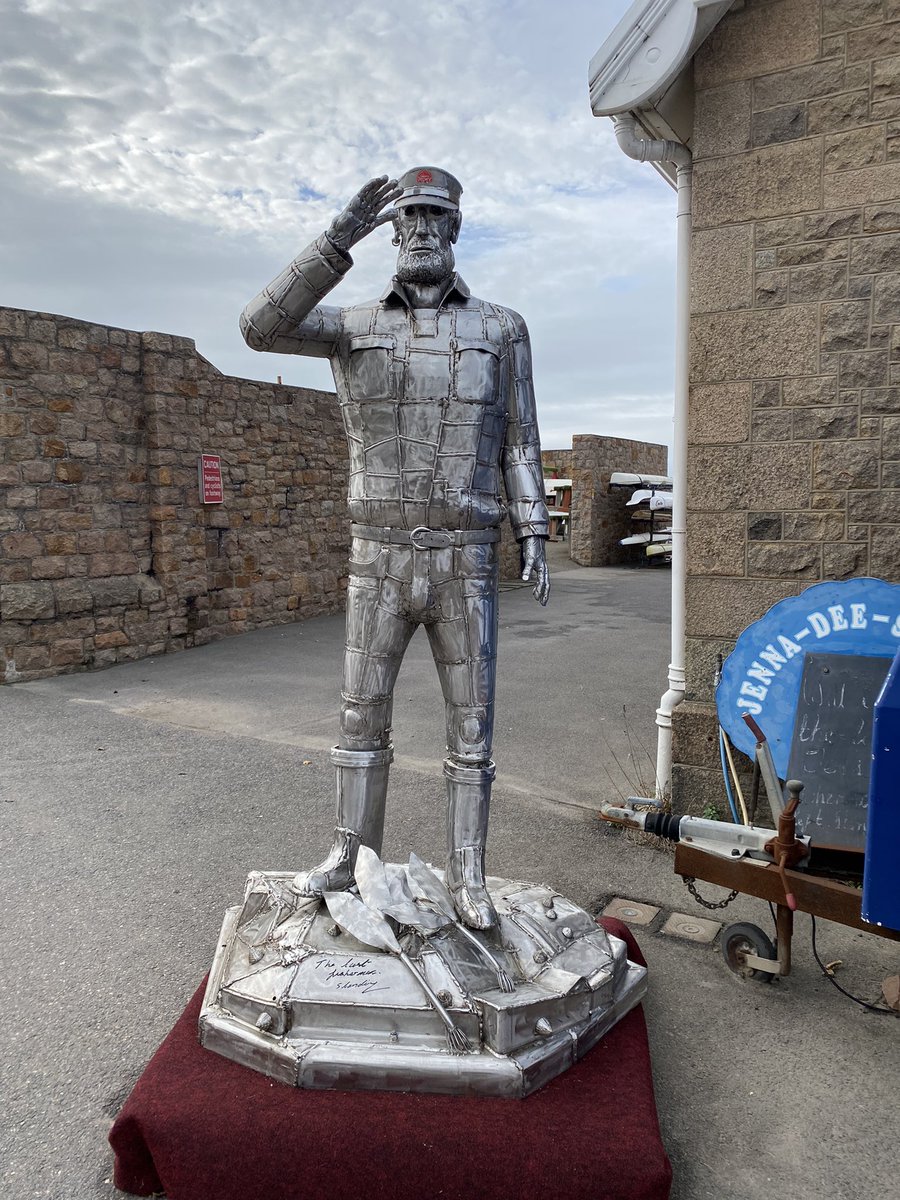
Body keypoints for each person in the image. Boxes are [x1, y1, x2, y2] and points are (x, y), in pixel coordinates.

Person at [240, 167, 550, 929]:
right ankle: (350, 853)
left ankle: (469, 874)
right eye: (406, 216)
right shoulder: (350, 326)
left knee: (471, 727)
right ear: (390, 230)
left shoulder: (500, 328)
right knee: (359, 716)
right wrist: (337, 236)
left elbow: (519, 437)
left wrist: (534, 527)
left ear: (455, 228)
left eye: (434, 216)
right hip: (376, 556)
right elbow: (259, 328)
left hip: (465, 557)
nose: (420, 229)